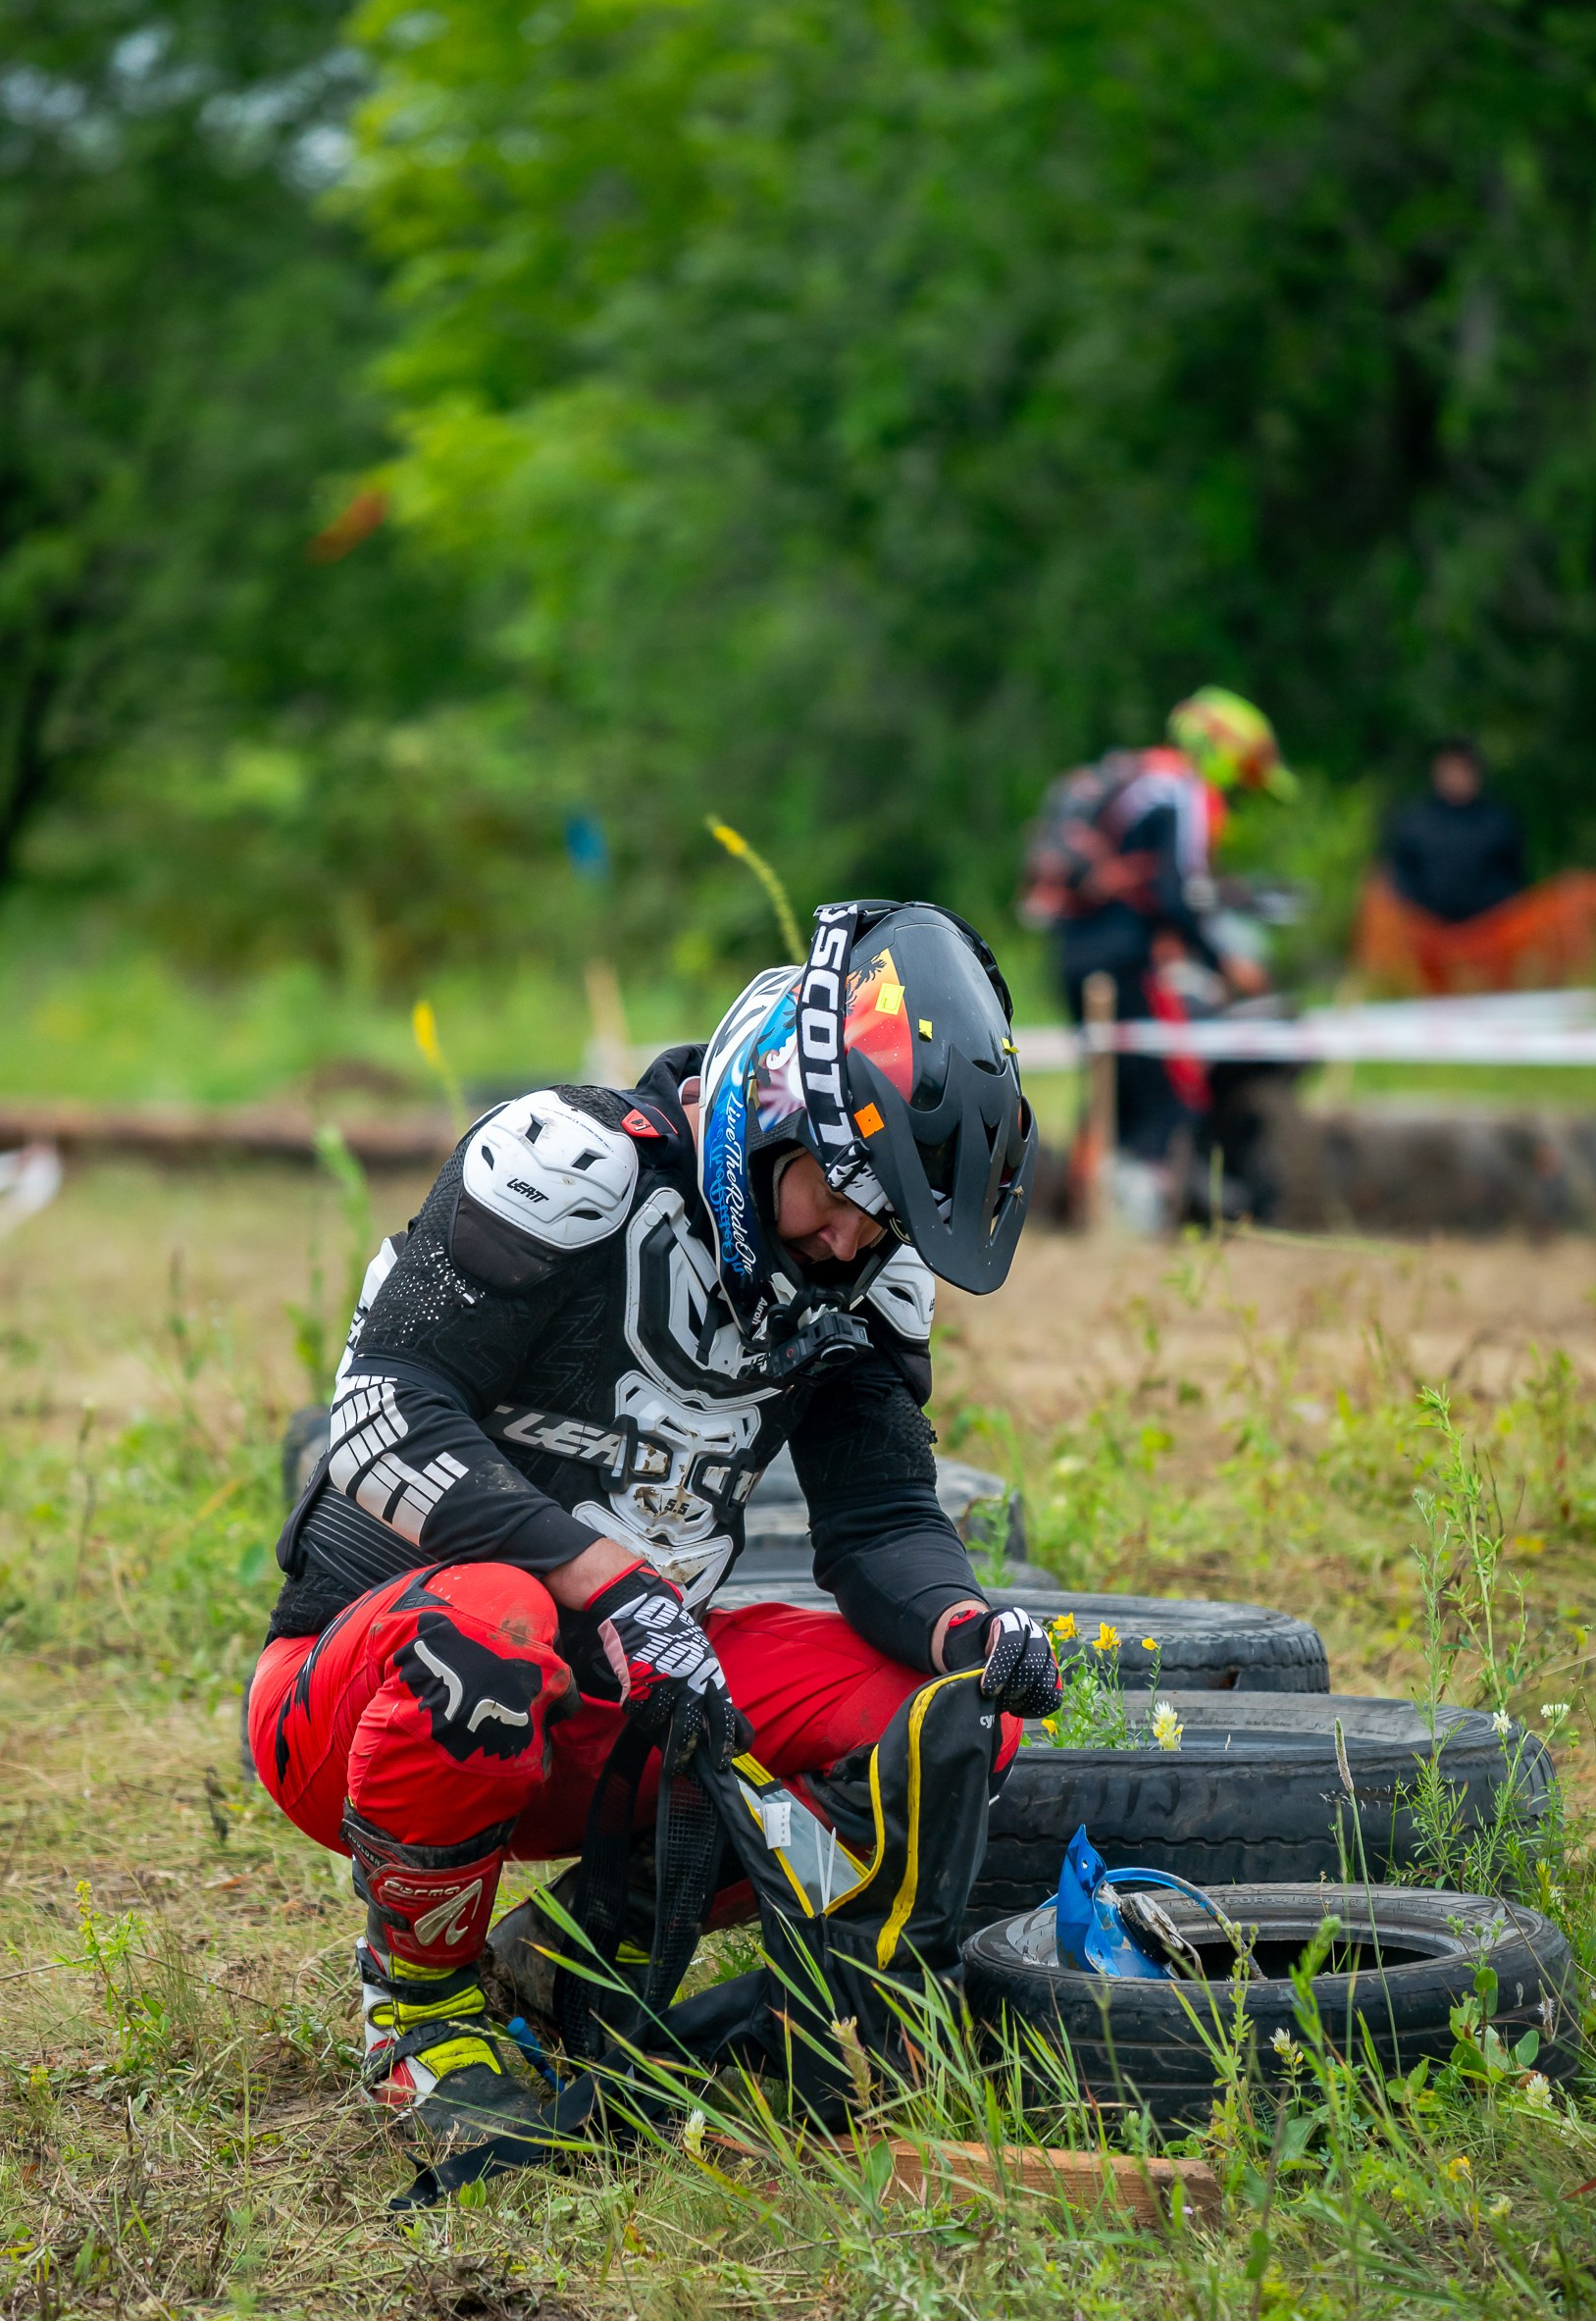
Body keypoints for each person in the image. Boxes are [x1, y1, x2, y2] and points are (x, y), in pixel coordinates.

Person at [248, 900, 1062, 2156]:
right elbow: (376, 1411)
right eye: (837, 1197)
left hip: (625, 1707)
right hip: (363, 1697)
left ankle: (561, 1966)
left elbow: (884, 1519)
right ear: (764, 1120)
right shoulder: (569, 1160)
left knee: (952, 1715)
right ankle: (418, 2012)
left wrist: (972, 1625)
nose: (852, 1242)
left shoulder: (867, 1275)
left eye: (886, 1219)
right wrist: (607, 1579)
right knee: (498, 1620)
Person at [1019, 686, 1297, 1171]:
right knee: (1167, 1095)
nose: (1233, 797)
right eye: (1242, 778)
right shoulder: (1182, 788)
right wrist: (1225, 962)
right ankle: (1145, 1214)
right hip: (1125, 957)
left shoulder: (1135, 775)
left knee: (1115, 1088)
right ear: (1224, 755)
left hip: (1074, 952)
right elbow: (1180, 895)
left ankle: (1083, 1205)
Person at [1383, 740, 1528, 930]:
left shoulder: (1498, 822)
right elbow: (1401, 879)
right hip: (1426, 932)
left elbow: (1516, 878)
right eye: (1450, 769)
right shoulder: (1414, 821)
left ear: (1477, 775)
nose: (1456, 777)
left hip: (1488, 930)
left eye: (1464, 770)